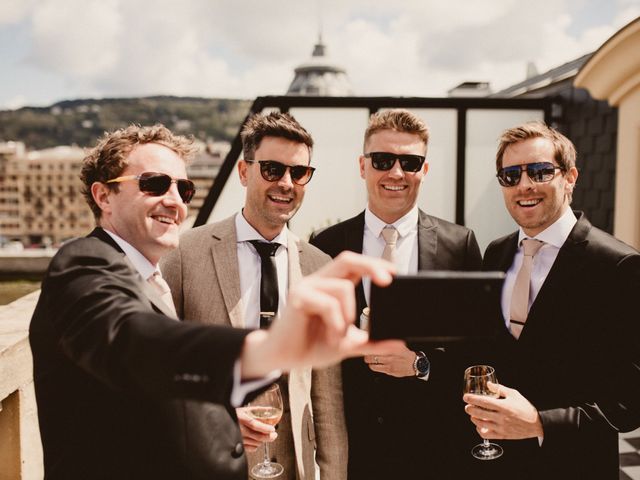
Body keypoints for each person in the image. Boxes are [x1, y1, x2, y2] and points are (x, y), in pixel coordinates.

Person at [29, 124, 402, 480]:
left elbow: (157, 394)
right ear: (103, 196)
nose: (174, 201)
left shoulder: (148, 274)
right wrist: (267, 348)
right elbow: (133, 342)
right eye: (154, 184)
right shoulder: (82, 263)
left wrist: (220, 417)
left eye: (184, 189)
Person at [162, 112, 346, 480]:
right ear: (244, 172)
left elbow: (326, 396)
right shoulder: (185, 253)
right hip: (209, 459)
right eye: (273, 170)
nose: (287, 183)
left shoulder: (320, 265)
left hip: (294, 464)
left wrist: (334, 472)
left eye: (300, 172)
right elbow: (163, 367)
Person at [310, 109, 482, 479]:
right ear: (363, 166)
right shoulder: (326, 245)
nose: (396, 173)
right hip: (352, 447)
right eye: (383, 160)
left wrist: (422, 365)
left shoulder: (460, 244)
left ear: (425, 169)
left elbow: (477, 346)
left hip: (434, 447)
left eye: (410, 162)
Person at [463, 121, 640, 479]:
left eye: (540, 171)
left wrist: (539, 424)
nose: (524, 184)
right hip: (494, 464)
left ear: (570, 177)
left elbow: (630, 400)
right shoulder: (495, 253)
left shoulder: (618, 265)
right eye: (510, 175)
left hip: (574, 467)